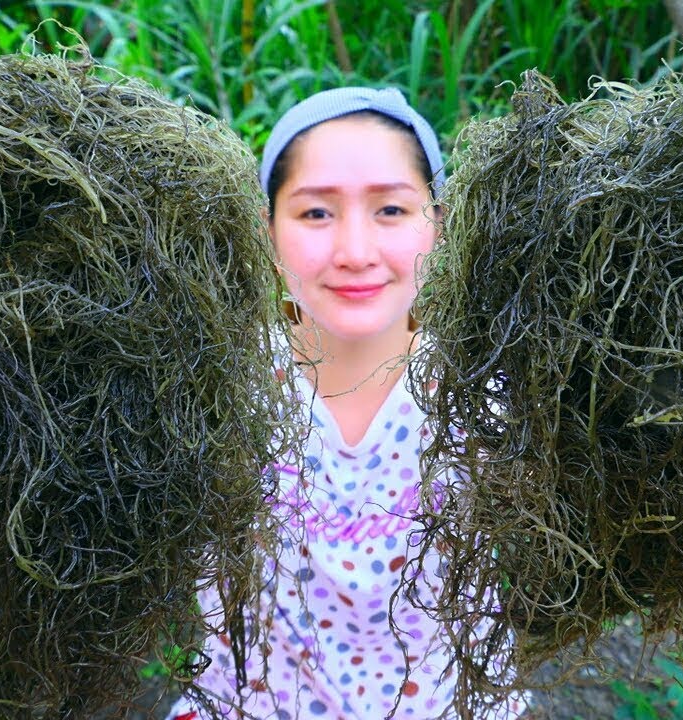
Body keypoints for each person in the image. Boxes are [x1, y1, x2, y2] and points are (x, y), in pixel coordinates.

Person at [166, 87, 526, 720]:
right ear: (265, 229)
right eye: (314, 214)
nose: (355, 251)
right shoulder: (209, 385)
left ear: (438, 225)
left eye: (391, 208)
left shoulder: (490, 389)